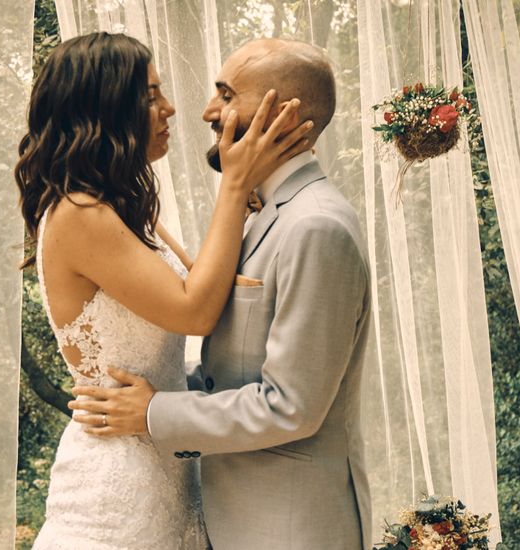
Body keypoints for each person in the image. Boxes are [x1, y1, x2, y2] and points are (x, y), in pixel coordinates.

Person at [71, 38, 374, 550]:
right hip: (228, 517)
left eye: (226, 94)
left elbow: (292, 407)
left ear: (281, 114)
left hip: (290, 527)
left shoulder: (316, 226)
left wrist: (153, 413)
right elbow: (235, 368)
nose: (209, 111)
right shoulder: (265, 214)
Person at [15, 32, 312, 549]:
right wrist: (235, 186)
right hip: (118, 488)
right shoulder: (79, 215)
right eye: (151, 97)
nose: (170, 108)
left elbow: (214, 287)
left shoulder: (124, 213)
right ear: (106, 108)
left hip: (166, 464)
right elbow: (195, 312)